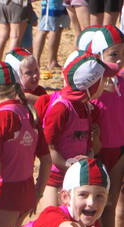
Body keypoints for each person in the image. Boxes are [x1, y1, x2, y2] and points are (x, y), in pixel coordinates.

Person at [0, 62, 49, 227]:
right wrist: (38, 192)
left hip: (6, 192)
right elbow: (46, 159)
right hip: (26, 189)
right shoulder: (29, 113)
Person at [78, 26, 124, 227]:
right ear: (97, 56)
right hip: (94, 154)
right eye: (113, 55)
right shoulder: (89, 86)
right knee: (87, 212)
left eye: (122, 55)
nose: (119, 61)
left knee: (109, 209)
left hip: (117, 152)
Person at [40, 53, 105, 211]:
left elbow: (91, 148)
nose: (106, 84)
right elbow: (48, 147)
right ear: (92, 86)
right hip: (55, 178)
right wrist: (70, 167)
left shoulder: (86, 108)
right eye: (103, 81)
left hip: (77, 179)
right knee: (52, 222)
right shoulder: (62, 108)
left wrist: (87, 159)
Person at [36, 0, 71, 70]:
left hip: (62, 3)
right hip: (52, 3)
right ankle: (37, 61)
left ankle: (53, 61)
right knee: (48, 29)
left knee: (59, 28)